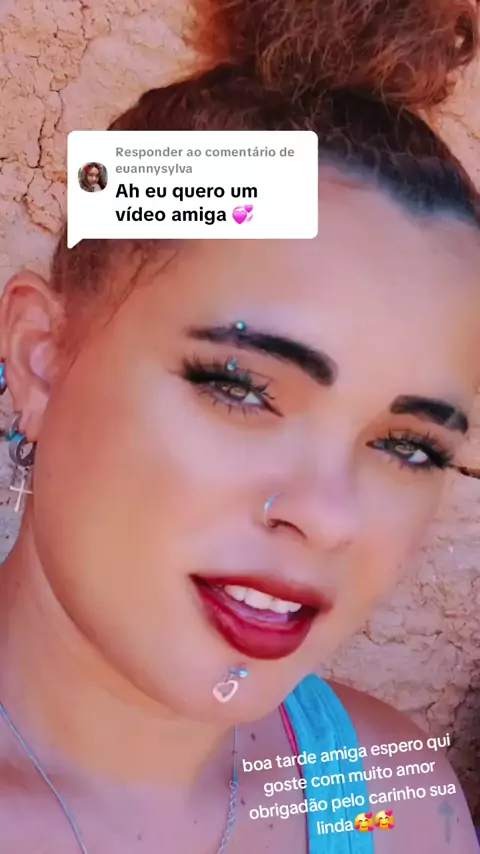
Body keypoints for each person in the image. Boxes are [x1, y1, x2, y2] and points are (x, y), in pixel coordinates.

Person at [0, 0, 479, 850]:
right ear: (42, 357)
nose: (329, 515)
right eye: (240, 388)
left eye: (409, 446)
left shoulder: (395, 807)